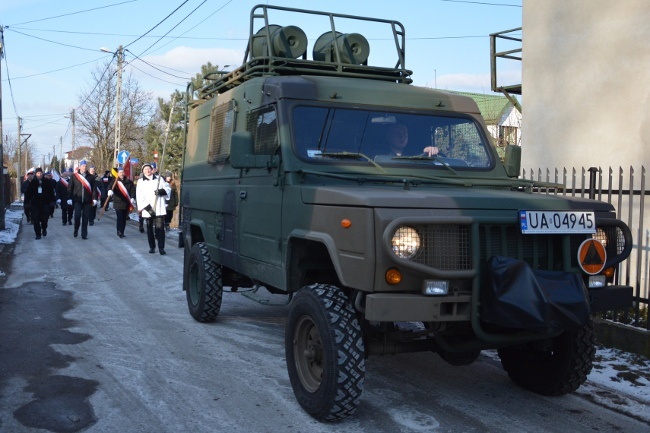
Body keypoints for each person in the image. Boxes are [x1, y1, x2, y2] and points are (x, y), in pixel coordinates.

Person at [136, 162, 171, 255]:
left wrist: (161, 191)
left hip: (159, 208)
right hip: (148, 209)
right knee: (150, 229)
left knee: (160, 228)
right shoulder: (140, 182)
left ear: (152, 170)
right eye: (145, 169)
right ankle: (152, 246)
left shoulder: (159, 179)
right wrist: (148, 209)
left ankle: (161, 247)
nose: (147, 171)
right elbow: (139, 196)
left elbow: (168, 189)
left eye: (149, 169)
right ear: (143, 171)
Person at [67, 160, 98, 240]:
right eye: (83, 166)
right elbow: (70, 188)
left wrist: (94, 198)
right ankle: (76, 229)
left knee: (85, 217)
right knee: (77, 216)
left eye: (85, 166)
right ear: (80, 167)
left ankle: (84, 234)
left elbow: (94, 189)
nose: (84, 167)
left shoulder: (91, 177)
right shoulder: (74, 176)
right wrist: (69, 198)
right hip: (77, 201)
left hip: (87, 201)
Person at [24, 167, 56, 239]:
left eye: (41, 173)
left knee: (45, 219)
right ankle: (38, 234)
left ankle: (44, 228)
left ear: (42, 173)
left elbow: (51, 192)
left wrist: (53, 201)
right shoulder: (33, 182)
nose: (40, 174)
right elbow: (28, 193)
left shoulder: (47, 182)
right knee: (36, 219)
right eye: (38, 173)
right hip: (35, 204)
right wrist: (26, 202)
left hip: (45, 204)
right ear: (36, 174)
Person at [107, 167, 136, 238]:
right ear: (118, 173)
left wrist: (132, 197)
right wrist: (110, 191)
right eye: (120, 172)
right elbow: (110, 187)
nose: (122, 174)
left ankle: (122, 231)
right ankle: (119, 231)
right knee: (119, 218)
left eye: (122, 172)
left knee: (124, 218)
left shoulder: (129, 182)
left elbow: (133, 191)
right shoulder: (115, 181)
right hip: (118, 203)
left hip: (126, 203)